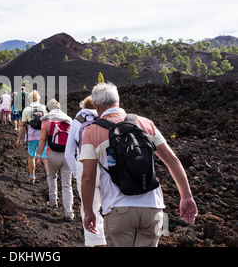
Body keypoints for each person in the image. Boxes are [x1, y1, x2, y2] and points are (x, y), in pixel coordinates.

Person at [80, 82, 198, 247]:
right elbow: (173, 160)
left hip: (118, 209)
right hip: (153, 208)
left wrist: (88, 212)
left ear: (97, 106)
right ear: (118, 102)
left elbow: (88, 178)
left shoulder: (92, 132)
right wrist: (186, 196)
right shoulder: (145, 123)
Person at [64, 95, 106, 246]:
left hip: (84, 168)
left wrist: (77, 173)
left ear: (82, 107)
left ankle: (94, 243)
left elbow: (68, 154)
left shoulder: (77, 122)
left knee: (88, 210)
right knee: (109, 210)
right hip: (106, 167)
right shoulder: (104, 119)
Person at [37, 99, 74, 220]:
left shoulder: (47, 120)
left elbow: (42, 139)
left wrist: (39, 156)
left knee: (52, 176)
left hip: (52, 154)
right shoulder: (68, 119)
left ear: (48, 109)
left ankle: (53, 201)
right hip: (67, 155)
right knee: (67, 184)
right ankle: (69, 212)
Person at [16, 90, 48, 184]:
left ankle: (32, 176)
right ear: (39, 98)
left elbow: (22, 126)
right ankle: (50, 177)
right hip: (43, 135)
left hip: (31, 136)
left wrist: (18, 139)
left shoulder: (27, 109)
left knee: (31, 156)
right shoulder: (44, 108)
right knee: (44, 157)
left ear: (29, 99)